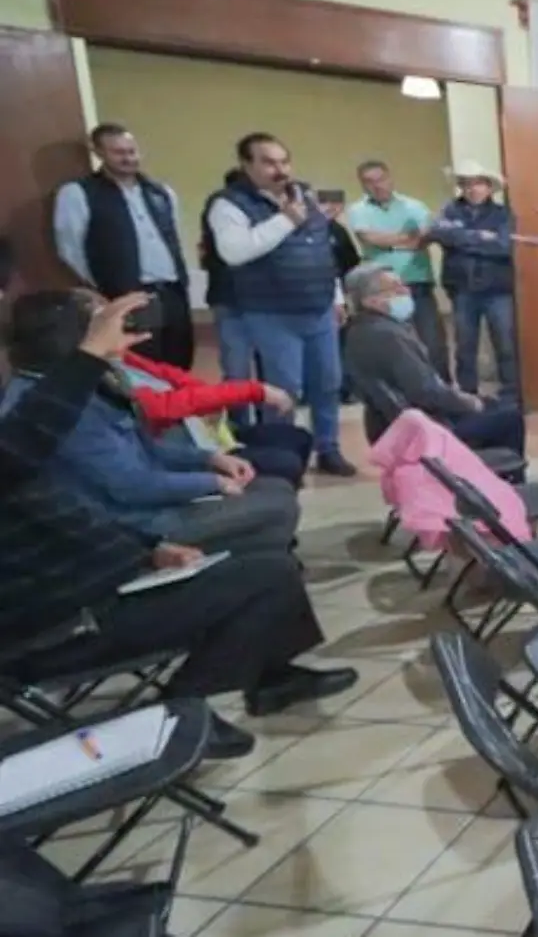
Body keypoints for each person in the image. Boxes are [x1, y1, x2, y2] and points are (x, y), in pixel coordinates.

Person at [0, 292, 356, 761]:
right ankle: (176, 715)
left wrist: (148, 550)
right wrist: (89, 356)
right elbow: (92, 473)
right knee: (269, 570)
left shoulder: (56, 409)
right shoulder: (36, 413)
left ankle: (263, 678)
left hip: (102, 578)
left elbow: (61, 514)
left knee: (269, 564)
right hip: (64, 626)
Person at [1, 290, 302, 559]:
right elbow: (131, 486)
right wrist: (212, 482)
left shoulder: (83, 380)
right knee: (276, 503)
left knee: (275, 487)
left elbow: (148, 448)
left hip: (150, 497)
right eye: (103, 323)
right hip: (138, 525)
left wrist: (209, 459)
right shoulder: (54, 405)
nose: (118, 330)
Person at [204, 133, 355, 477]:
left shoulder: (304, 196)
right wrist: (286, 220)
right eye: (269, 162)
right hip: (272, 312)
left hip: (318, 308)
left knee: (328, 383)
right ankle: (282, 454)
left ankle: (328, 449)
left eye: (284, 161)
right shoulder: (228, 204)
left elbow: (322, 250)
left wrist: (336, 296)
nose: (280, 170)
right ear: (247, 165)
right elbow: (235, 252)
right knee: (284, 390)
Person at [341, 264, 527, 455]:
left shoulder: (358, 331)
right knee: (509, 417)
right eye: (395, 288)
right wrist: (470, 403)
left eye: (403, 285)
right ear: (370, 301)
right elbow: (426, 392)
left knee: (490, 406)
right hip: (422, 430)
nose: (405, 291)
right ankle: (494, 473)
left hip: (390, 425)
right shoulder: (389, 336)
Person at [51, 124, 194, 369]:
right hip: (128, 293)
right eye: (118, 152)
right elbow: (70, 249)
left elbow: (173, 238)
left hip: (172, 291)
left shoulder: (160, 192)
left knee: (179, 358)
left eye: (132, 151)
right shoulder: (78, 193)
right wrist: (101, 285)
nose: (128, 158)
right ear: (99, 153)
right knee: (141, 363)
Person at [115, 338, 314, 488]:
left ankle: (281, 507)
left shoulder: (125, 359)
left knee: (299, 438)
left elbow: (177, 378)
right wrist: (255, 391)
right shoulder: (108, 379)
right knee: (285, 464)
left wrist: (211, 403)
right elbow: (164, 407)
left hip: (207, 431)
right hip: (186, 452)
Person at [348, 160, 450, 378]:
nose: (377, 185)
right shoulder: (358, 210)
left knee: (433, 344)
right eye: (370, 182)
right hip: (381, 290)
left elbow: (425, 237)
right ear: (362, 185)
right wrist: (406, 240)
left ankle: (442, 390)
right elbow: (370, 238)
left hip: (417, 282)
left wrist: (390, 243)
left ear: (390, 178)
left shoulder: (414, 206)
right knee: (391, 345)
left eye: (381, 179)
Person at [430, 160, 520, 403]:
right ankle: (467, 397)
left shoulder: (503, 214)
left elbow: (503, 247)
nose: (473, 189)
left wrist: (462, 239)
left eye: (478, 184)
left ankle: (511, 396)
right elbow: (439, 233)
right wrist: (480, 236)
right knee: (464, 347)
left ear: (489, 187)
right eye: (467, 184)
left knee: (506, 345)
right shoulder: (449, 210)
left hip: (498, 289)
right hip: (462, 289)